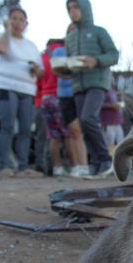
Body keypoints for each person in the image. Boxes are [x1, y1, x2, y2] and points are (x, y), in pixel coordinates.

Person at [65, 0, 119, 176]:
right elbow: (69, 61)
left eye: (76, 7)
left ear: (85, 9)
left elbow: (113, 55)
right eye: (70, 8)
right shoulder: (71, 38)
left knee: (89, 118)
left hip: (97, 82)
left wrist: (96, 61)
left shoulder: (98, 32)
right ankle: (95, 163)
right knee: (83, 123)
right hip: (78, 85)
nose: (73, 11)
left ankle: (105, 159)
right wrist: (63, 69)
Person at [0, 7, 44, 178]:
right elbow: (0, 48)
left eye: (20, 19)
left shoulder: (31, 46)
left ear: (26, 23)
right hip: (5, 85)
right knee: (7, 125)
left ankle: (23, 167)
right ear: (8, 21)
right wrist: (7, 31)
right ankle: (4, 165)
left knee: (25, 128)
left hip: (27, 89)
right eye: (13, 19)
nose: (17, 22)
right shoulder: (1, 37)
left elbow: (41, 71)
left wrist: (36, 69)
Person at [52, 33, 90, 178]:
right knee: (73, 131)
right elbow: (57, 71)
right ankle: (78, 165)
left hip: (80, 92)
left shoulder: (84, 52)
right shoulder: (60, 51)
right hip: (65, 94)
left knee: (78, 130)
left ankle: (83, 165)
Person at [100, 86, 124, 158]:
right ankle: (109, 160)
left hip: (117, 121)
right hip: (108, 122)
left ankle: (119, 159)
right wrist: (111, 106)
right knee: (109, 144)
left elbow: (119, 104)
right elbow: (98, 105)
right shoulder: (102, 90)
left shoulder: (113, 91)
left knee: (121, 141)